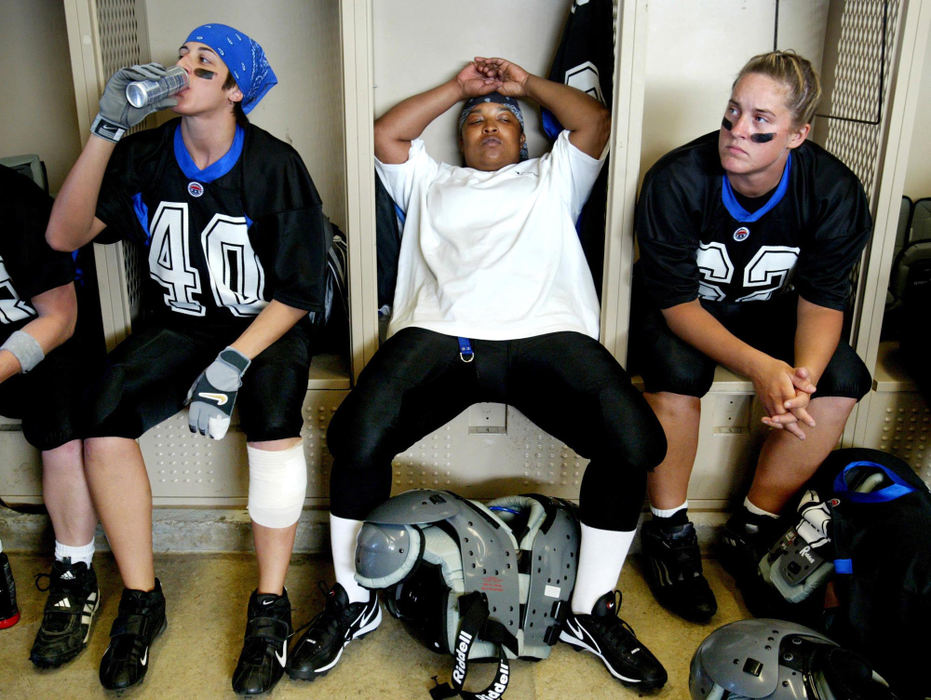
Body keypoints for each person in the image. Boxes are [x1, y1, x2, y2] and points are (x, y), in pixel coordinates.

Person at [285, 57, 669, 692]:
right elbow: (387, 137)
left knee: (635, 443)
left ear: (524, 137)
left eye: (503, 121)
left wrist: (521, 86)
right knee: (354, 436)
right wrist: (460, 89)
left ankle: (589, 612)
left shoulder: (553, 177)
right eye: (475, 122)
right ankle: (355, 601)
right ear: (459, 138)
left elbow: (595, 120)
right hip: (443, 335)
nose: (489, 127)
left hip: (546, 336)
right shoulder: (430, 181)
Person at [45, 24, 330, 694]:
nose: (182, 68)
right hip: (178, 323)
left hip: (264, 325)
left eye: (205, 64)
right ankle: (141, 598)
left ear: (235, 91)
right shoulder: (146, 154)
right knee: (101, 413)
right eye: (183, 56)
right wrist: (106, 130)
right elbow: (63, 235)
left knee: (274, 421)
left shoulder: (273, 164)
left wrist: (233, 362)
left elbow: (295, 292)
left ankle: (269, 605)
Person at [630, 51, 872, 623]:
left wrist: (800, 381)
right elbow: (678, 305)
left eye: (762, 121)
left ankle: (752, 526)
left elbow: (823, 302)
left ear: (797, 133)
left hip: (772, 312)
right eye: (732, 113)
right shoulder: (677, 178)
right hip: (689, 310)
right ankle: (669, 534)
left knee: (842, 379)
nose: (739, 131)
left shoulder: (831, 189)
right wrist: (763, 369)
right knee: (675, 373)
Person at [0, 164, 102, 666]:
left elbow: (60, 317)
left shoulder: (9, 197)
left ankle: (73, 572)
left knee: (59, 429)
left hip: (44, 340)